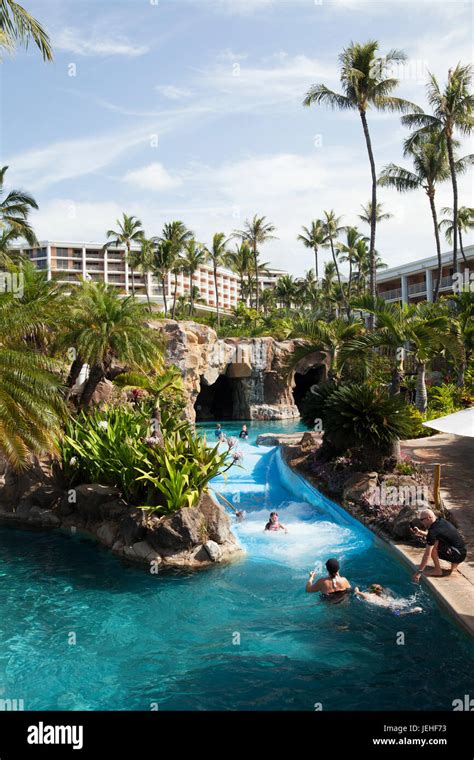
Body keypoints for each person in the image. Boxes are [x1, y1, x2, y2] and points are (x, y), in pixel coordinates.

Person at [410, 508, 467, 582]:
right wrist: (420, 532)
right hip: (461, 554)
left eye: (421, 520)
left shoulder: (433, 530)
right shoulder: (441, 521)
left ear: (428, 518)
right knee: (439, 541)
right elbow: (435, 535)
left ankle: (437, 571)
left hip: (456, 555)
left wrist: (419, 572)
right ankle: (454, 567)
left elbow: (427, 554)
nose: (421, 522)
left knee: (434, 546)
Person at [354, 584, 423, 615]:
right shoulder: (382, 594)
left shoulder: (368, 595)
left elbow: (357, 592)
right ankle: (413, 609)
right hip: (394, 602)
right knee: (405, 604)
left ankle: (411, 611)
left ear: (371, 590)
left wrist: (356, 587)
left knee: (397, 614)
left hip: (388, 606)